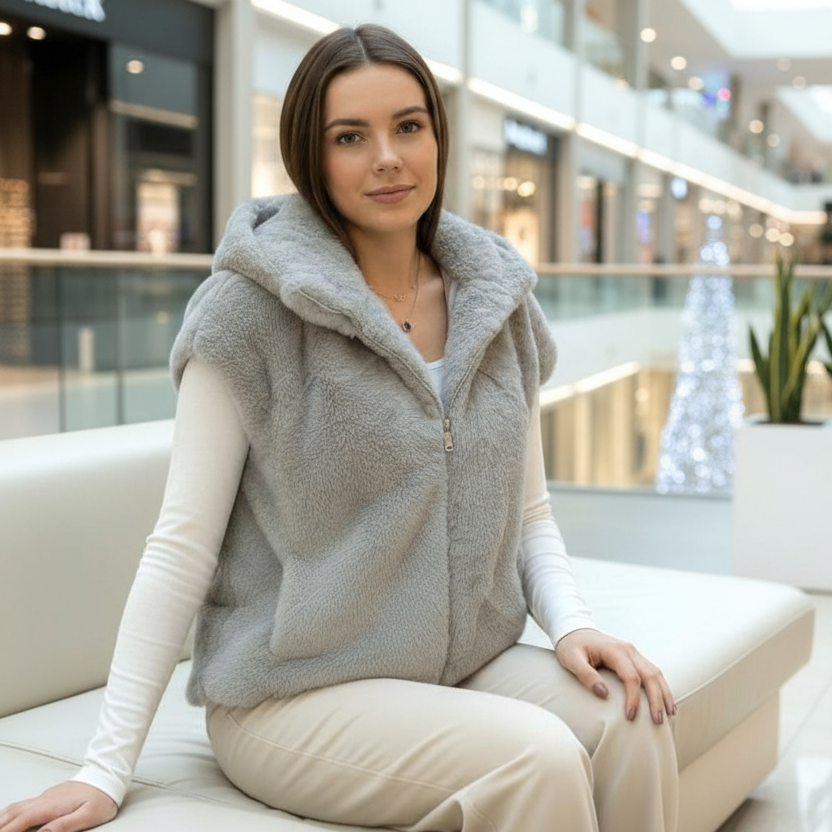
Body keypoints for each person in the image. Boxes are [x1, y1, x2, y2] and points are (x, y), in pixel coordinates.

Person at [0, 24, 678, 832]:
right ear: (309, 158)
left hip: (462, 667)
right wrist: (104, 769)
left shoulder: (497, 300)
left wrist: (574, 626)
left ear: (438, 136)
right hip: (295, 693)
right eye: (349, 137)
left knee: (632, 718)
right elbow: (181, 547)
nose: (387, 157)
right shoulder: (246, 313)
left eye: (408, 126)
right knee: (535, 756)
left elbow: (531, 515)